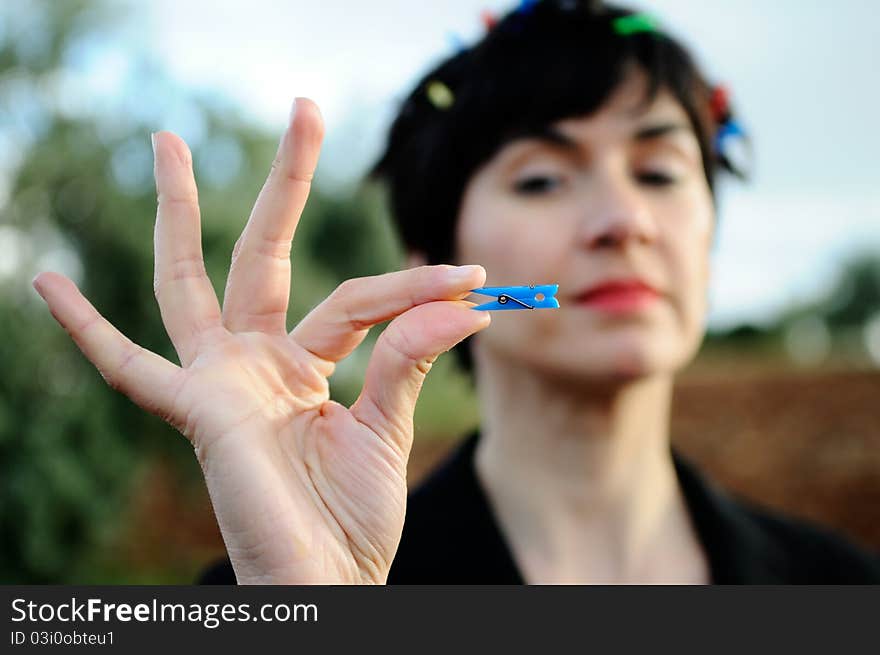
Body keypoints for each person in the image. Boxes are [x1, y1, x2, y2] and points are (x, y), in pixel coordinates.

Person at [34, 0, 879, 584]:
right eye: (543, 179)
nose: (623, 221)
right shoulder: (273, 586)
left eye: (659, 170)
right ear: (429, 257)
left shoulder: (843, 586)